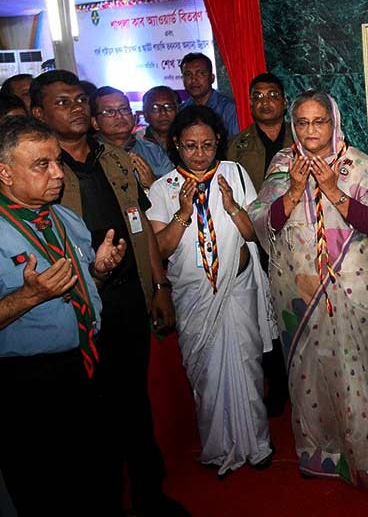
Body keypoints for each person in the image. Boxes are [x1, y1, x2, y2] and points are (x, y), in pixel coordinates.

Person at [30, 70, 189, 517]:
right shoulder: (39, 173)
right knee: (89, 416)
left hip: (127, 299)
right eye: (62, 103)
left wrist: (159, 287)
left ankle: (148, 496)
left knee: (134, 402)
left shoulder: (116, 160)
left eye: (80, 99)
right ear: (38, 113)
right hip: (75, 306)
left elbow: (139, 230)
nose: (77, 108)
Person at [248, 90, 368, 496]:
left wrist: (332, 188)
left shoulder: (363, 166)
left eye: (320, 122)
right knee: (306, 373)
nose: (311, 131)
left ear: (335, 122)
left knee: (356, 375)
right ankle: (321, 453)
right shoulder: (282, 165)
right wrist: (294, 189)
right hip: (298, 292)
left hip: (351, 287)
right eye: (302, 122)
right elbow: (263, 222)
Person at [0, 115, 126, 515]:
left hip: (86, 365)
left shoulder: (64, 218)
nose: (58, 173)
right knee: (48, 489)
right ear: (4, 172)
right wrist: (27, 297)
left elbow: (79, 291)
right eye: (43, 165)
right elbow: (36, 296)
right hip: (29, 385)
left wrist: (99, 273)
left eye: (57, 161)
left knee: (99, 477)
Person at [147, 105, 274, 478]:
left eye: (207, 144)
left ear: (218, 140)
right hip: (195, 296)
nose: (200, 153)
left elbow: (255, 234)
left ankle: (258, 443)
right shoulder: (163, 188)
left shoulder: (233, 173)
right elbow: (162, 249)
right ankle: (218, 446)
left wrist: (234, 207)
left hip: (237, 290)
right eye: (190, 146)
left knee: (248, 366)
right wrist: (184, 212)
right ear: (176, 145)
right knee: (206, 375)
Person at [227, 72, 292, 417]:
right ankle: (277, 385)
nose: (265, 102)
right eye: (258, 96)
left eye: (272, 95)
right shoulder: (236, 146)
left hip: (298, 239)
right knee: (266, 318)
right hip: (257, 242)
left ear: (284, 101)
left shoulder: (304, 136)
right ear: (249, 103)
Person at [90, 86, 173, 187]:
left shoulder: (153, 151)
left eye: (124, 109)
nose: (119, 116)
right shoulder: (88, 155)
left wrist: (154, 184)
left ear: (133, 116)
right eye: (109, 112)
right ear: (95, 123)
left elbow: (174, 194)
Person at [179, 53, 238, 138]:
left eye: (200, 73)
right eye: (188, 75)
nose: (193, 79)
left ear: (212, 78)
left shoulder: (230, 109)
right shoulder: (181, 110)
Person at [139, 85, 180, 151]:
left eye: (168, 106)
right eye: (155, 108)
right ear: (145, 114)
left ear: (177, 110)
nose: (163, 113)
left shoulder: (189, 139)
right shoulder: (137, 142)